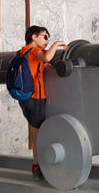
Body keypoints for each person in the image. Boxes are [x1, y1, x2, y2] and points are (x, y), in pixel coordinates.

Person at [17, 25, 67, 179]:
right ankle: (38, 166)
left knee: (35, 130)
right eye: (45, 37)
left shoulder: (22, 51)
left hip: (26, 98)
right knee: (39, 132)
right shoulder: (33, 51)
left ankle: (36, 163)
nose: (47, 41)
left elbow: (38, 64)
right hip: (36, 97)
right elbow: (46, 57)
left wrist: (44, 66)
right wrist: (57, 44)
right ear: (34, 37)